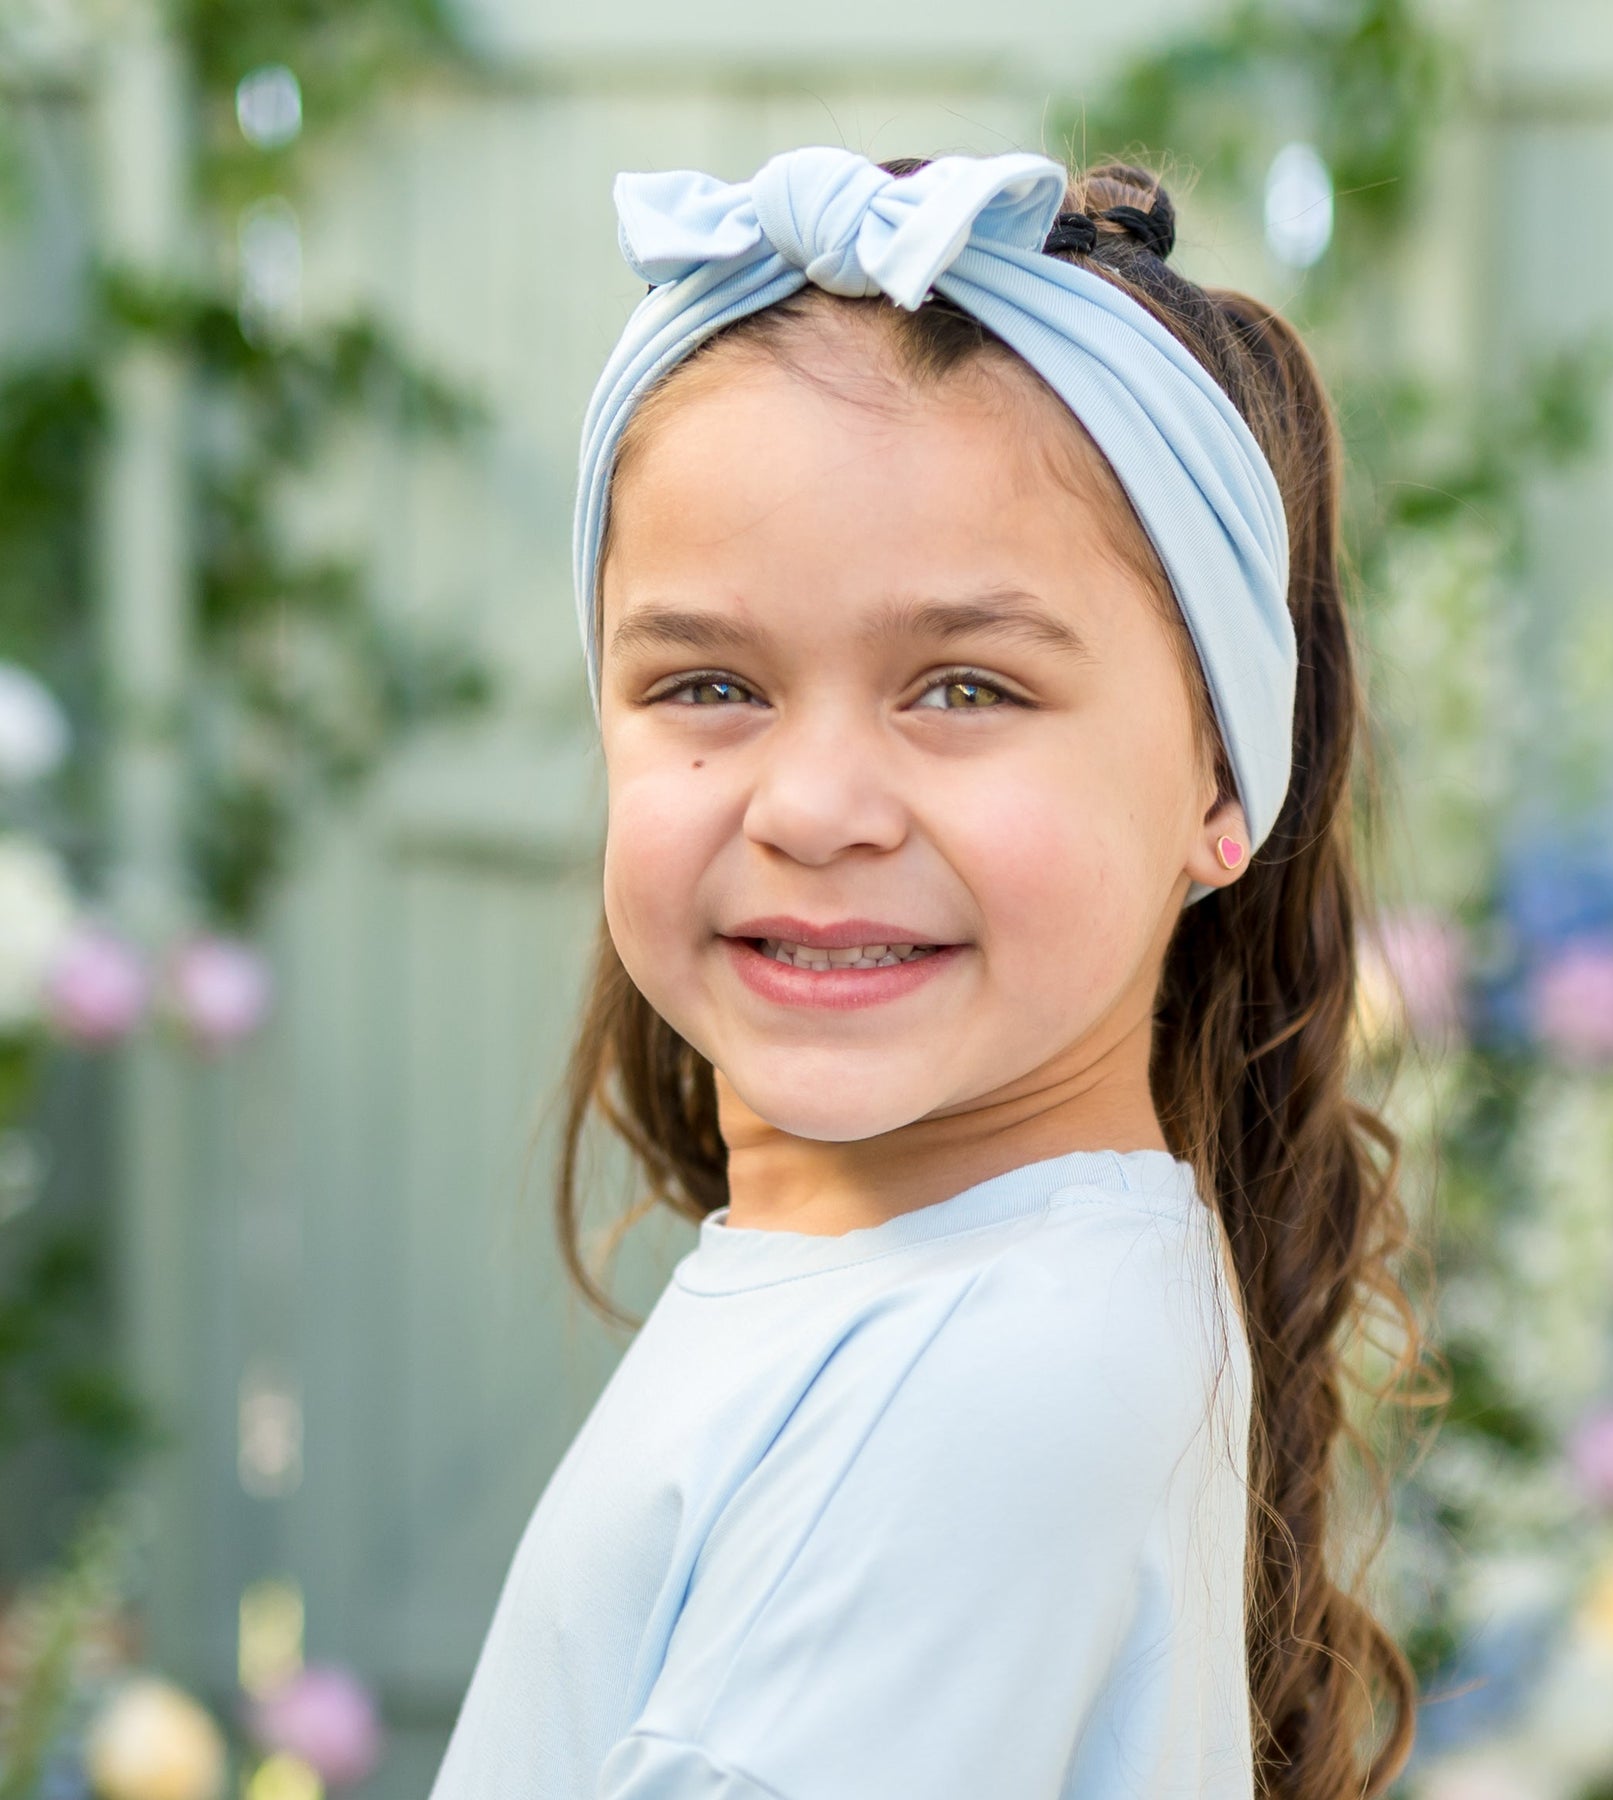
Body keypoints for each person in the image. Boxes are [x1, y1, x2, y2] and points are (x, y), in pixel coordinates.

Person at [428, 146, 1426, 1800]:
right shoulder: (958, 1306)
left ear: (1221, 778)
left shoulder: (979, 1391)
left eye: (965, 689)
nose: (815, 808)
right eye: (709, 685)